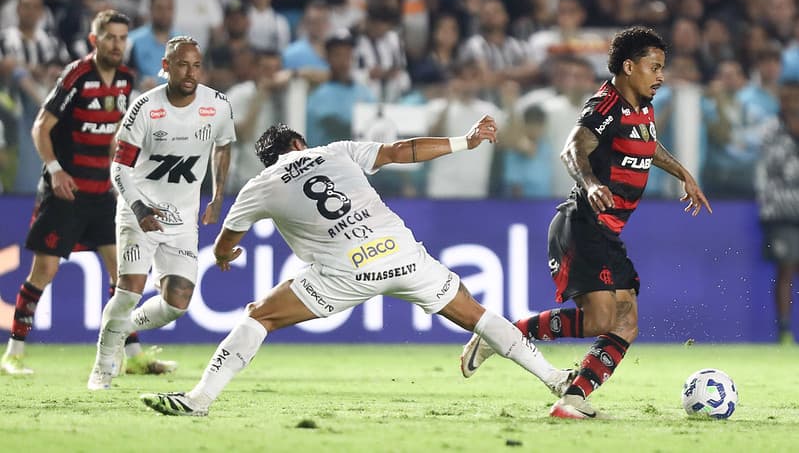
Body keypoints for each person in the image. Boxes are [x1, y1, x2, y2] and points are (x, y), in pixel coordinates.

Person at [139, 118, 576, 416]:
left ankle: (200, 399)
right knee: (476, 314)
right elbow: (401, 151)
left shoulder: (261, 184)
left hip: (344, 273)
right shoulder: (336, 152)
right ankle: (556, 379)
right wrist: (466, 141)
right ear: (299, 144)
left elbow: (226, 240)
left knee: (260, 316)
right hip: (401, 256)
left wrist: (222, 256)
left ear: (270, 158)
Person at [459, 26, 712, 419]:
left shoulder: (642, 106)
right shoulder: (605, 106)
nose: (661, 76)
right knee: (601, 320)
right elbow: (572, 149)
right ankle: (502, 334)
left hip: (607, 233)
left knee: (626, 324)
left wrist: (683, 173)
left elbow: (647, 144)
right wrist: (592, 183)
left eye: (662, 67)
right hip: (582, 226)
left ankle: (572, 400)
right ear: (629, 67)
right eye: (654, 67)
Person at [0, 10, 170, 376]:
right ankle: (13, 354)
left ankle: (134, 356)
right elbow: (40, 127)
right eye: (110, 37)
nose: (117, 45)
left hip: (102, 194)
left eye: (122, 38)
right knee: (43, 271)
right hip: (66, 192)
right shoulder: (77, 75)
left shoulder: (125, 80)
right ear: (95, 40)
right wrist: (55, 170)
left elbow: (114, 137)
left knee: (122, 274)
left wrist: (120, 177)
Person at [87, 35, 236, 390]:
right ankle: (102, 368)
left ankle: (119, 329)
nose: (190, 73)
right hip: (139, 210)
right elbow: (119, 168)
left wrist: (217, 196)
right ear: (166, 66)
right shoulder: (145, 108)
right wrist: (139, 209)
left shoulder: (217, 105)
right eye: (182, 65)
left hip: (183, 217)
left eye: (196, 65)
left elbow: (223, 146)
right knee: (129, 292)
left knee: (178, 303)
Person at [755, 81, 799, 344]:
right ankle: (783, 330)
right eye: (787, 98)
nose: (792, 103)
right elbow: (774, 166)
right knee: (786, 267)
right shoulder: (770, 129)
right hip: (781, 211)